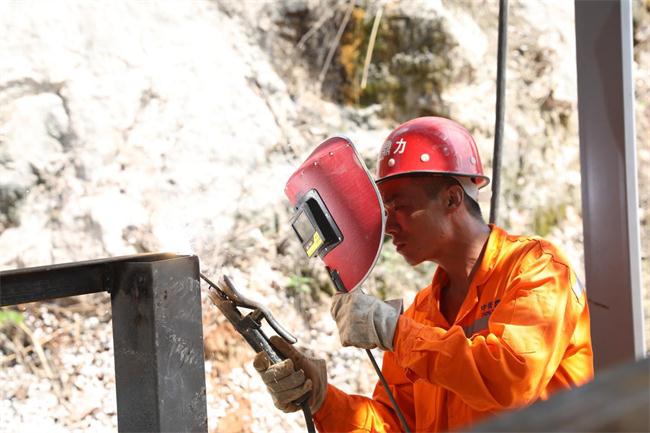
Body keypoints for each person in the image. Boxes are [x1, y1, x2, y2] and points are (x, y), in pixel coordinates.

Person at [253, 116, 594, 432]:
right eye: (385, 210)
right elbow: (394, 423)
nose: (389, 226)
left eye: (400, 206)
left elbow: (511, 380)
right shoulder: (421, 315)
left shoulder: (537, 268)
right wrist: (323, 400)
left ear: (452, 199)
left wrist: (395, 332)